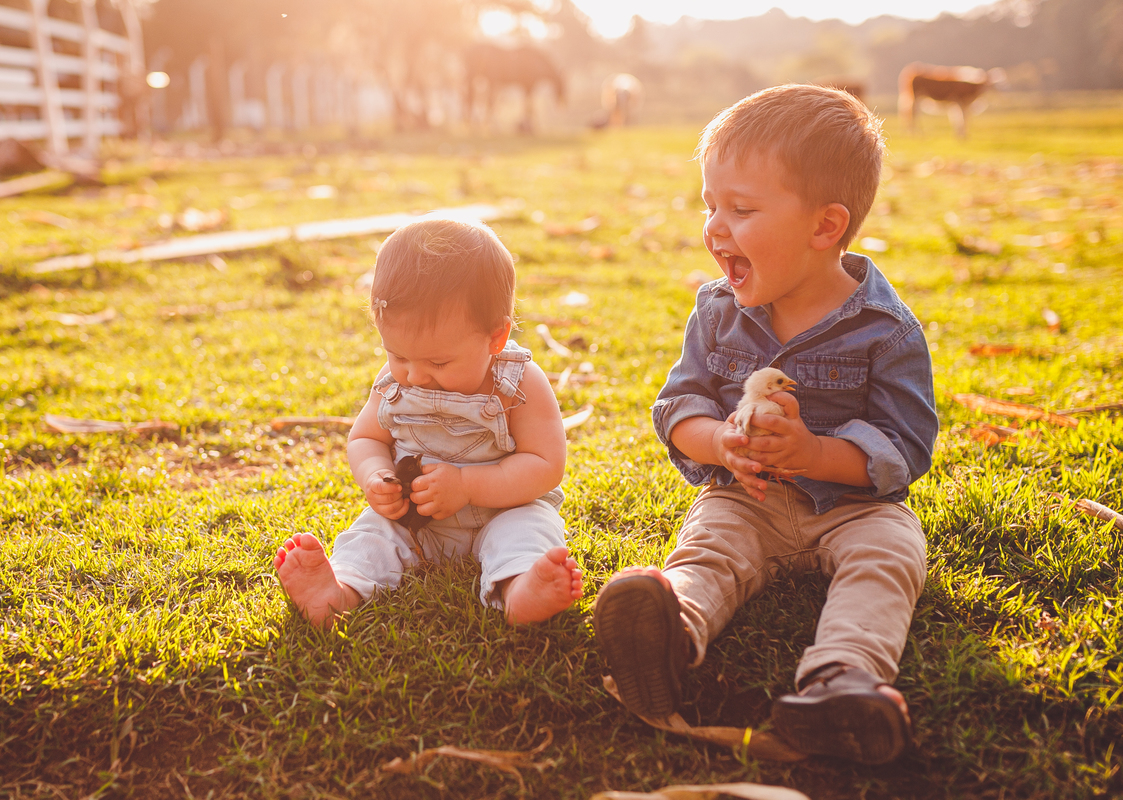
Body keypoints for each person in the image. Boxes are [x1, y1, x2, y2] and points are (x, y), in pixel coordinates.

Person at [594, 84, 938, 765]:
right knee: (707, 551)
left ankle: (842, 680)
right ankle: (669, 634)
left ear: (823, 227)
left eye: (741, 209)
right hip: (743, 499)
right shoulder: (717, 312)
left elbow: (905, 449)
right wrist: (720, 440)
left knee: (889, 557)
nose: (715, 228)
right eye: (710, 205)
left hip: (854, 507)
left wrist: (814, 453)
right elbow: (679, 408)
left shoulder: (885, 329)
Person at [274, 218, 583, 628]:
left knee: (528, 532)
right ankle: (339, 591)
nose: (415, 376)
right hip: (418, 522)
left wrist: (468, 485)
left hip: (503, 510)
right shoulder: (393, 386)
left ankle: (521, 590)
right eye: (398, 356)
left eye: (438, 362)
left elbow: (546, 465)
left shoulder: (517, 383)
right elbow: (365, 438)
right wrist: (376, 476)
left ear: (495, 337)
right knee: (374, 535)